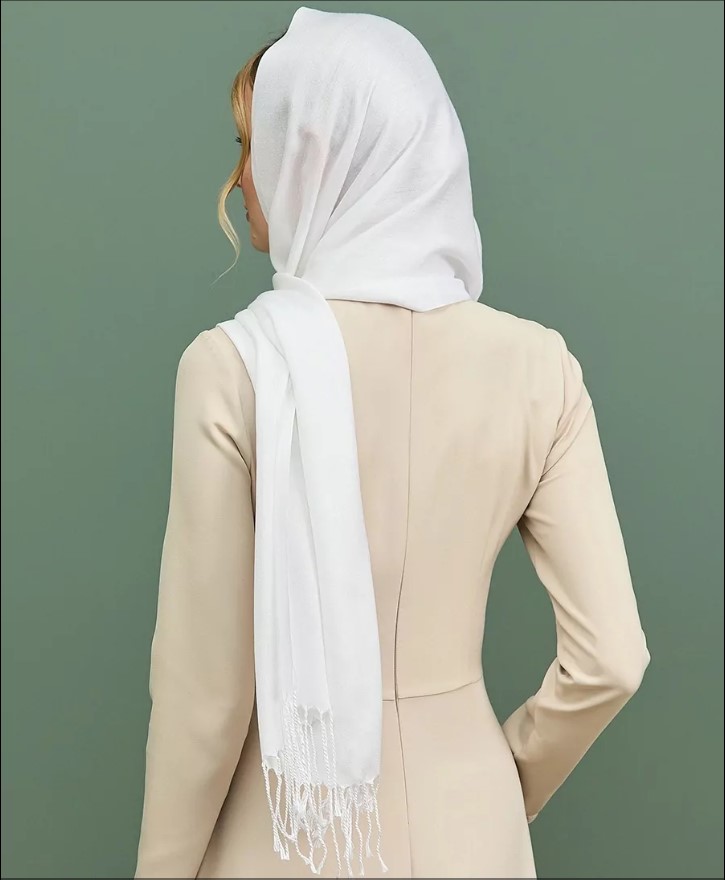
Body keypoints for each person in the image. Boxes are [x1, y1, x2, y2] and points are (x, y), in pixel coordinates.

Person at [134, 7, 650, 879]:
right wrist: (497, 781)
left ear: (314, 152)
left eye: (253, 144)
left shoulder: (235, 367)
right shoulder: (539, 367)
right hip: (473, 832)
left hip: (288, 834)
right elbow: (612, 660)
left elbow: (207, 697)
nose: (239, 178)